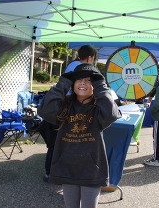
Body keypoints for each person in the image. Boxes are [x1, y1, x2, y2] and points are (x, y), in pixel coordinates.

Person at [37, 63, 121, 208]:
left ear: (95, 84)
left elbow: (111, 114)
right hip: (67, 167)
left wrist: (100, 84)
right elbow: (44, 110)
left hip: (91, 169)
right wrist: (63, 83)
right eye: (79, 79)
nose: (83, 83)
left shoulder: (99, 107)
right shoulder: (65, 105)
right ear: (72, 83)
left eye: (89, 80)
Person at [40, 45, 97, 183]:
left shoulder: (72, 64)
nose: (83, 83)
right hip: (64, 110)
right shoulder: (81, 68)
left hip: (62, 108)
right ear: (90, 57)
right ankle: (53, 173)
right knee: (59, 144)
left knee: (58, 144)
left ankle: (53, 173)